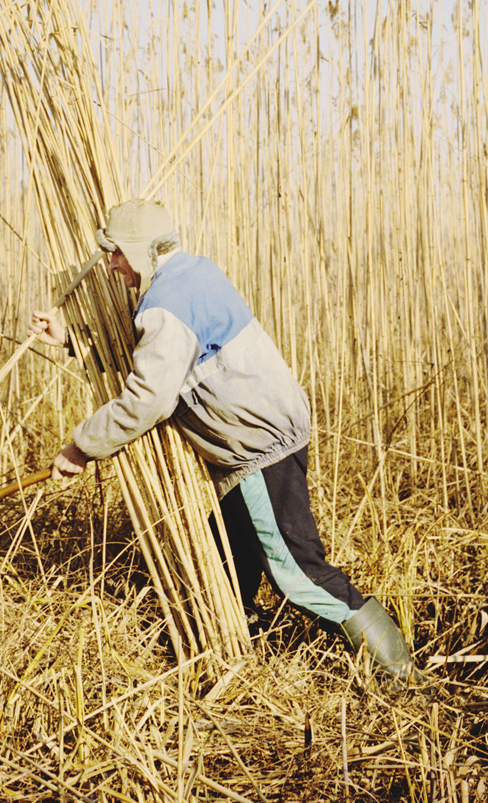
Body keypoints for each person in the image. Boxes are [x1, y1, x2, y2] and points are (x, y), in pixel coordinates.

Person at [28, 198, 420, 686]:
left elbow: (149, 396)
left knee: (297, 573)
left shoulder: (166, 304)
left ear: (141, 250)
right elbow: (162, 357)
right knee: (227, 560)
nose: (113, 266)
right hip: (266, 436)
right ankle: (238, 653)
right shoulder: (193, 275)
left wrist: (81, 447)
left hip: (257, 448)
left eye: (118, 254)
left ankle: (401, 676)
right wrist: (74, 340)